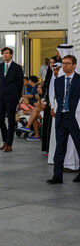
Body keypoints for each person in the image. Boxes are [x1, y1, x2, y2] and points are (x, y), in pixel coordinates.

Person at [47, 53, 80, 184]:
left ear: (74, 65)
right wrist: (54, 108)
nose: (64, 66)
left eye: (67, 64)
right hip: (61, 117)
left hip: (75, 117)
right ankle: (57, 176)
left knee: (79, 145)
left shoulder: (79, 80)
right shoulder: (59, 80)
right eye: (63, 64)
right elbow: (56, 97)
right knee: (60, 147)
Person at [0, 47, 24, 152]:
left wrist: (17, 98)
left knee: (11, 121)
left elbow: (20, 84)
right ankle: (5, 140)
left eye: (7, 53)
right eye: (3, 53)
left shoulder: (17, 67)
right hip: (1, 96)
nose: (5, 55)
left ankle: (9, 144)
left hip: (12, 97)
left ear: (11, 55)